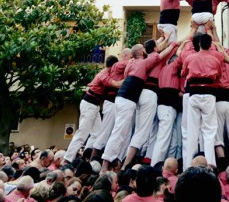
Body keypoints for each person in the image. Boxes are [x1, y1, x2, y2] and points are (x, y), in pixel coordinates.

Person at [100, 41, 173, 173]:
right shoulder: (144, 62)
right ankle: (108, 165)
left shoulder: (131, 63)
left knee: (126, 133)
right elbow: (160, 54)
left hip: (127, 98)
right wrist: (172, 43)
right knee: (124, 131)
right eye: (143, 49)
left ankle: (118, 163)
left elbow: (156, 50)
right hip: (130, 99)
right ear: (140, 52)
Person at [64, 57, 121, 163]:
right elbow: (116, 84)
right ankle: (67, 159)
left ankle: (85, 157)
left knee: (96, 134)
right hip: (89, 104)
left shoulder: (105, 74)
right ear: (114, 66)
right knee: (82, 134)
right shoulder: (103, 75)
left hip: (94, 106)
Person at [181, 34, 223, 168]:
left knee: (192, 130)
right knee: (209, 131)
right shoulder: (216, 59)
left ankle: (189, 165)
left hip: (194, 93)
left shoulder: (190, 58)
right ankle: (210, 164)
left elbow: (183, 74)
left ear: (199, 44)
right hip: (209, 94)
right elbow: (219, 76)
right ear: (210, 45)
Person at [91, 48, 133, 159]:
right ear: (124, 56)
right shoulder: (117, 65)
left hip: (116, 102)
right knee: (105, 131)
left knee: (117, 131)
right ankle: (93, 158)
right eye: (130, 56)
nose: (132, 59)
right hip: (111, 102)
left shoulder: (123, 67)